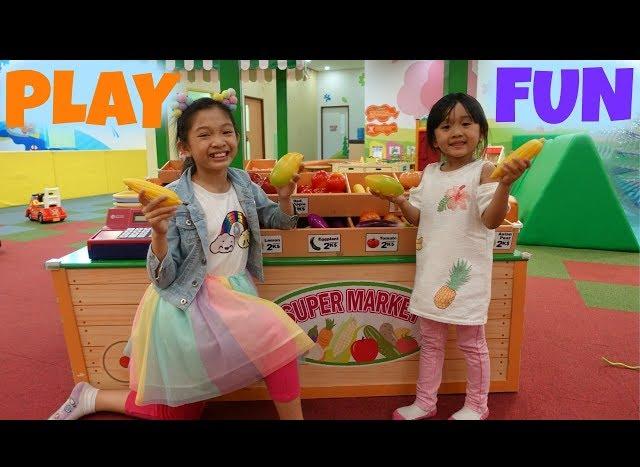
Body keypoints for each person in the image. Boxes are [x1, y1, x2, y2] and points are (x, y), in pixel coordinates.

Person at [49, 97, 314, 420]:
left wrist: (285, 199)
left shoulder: (244, 183)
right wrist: (158, 234)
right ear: (184, 146)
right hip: (187, 306)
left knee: (280, 339)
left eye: (226, 131)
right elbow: (163, 278)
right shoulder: (173, 198)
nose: (218, 142)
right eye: (204, 135)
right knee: (180, 412)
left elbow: (280, 221)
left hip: (235, 299)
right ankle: (93, 396)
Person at [375, 93, 530, 420]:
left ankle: (477, 405)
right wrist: (401, 201)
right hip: (431, 273)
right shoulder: (429, 173)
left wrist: (504, 185)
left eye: (466, 123)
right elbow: (420, 218)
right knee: (430, 343)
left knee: (473, 346)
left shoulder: (485, 171)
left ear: (480, 130)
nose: (456, 132)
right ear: (434, 138)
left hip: (466, 276)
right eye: (446, 126)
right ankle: (425, 401)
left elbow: (491, 221)